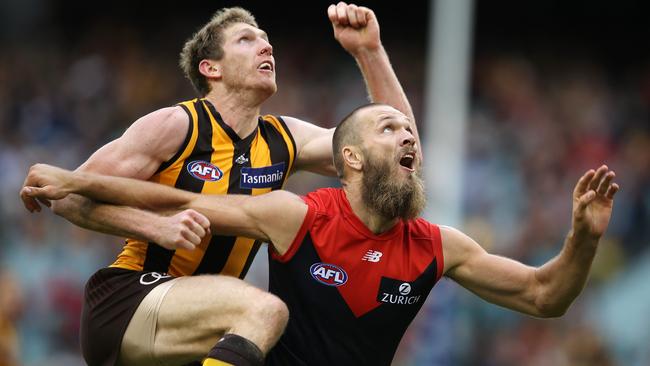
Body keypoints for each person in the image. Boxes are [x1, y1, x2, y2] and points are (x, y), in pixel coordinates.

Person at [22, 103, 619, 365]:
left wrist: (583, 239)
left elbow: (545, 297)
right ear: (351, 158)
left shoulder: (441, 246)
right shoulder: (296, 214)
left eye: (412, 131)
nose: (410, 137)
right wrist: (76, 181)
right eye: (390, 128)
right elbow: (178, 198)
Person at [19, 3, 419, 366]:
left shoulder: (285, 139)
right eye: (247, 40)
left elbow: (398, 151)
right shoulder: (176, 125)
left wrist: (369, 52)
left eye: (267, 41)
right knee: (266, 311)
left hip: (203, 326)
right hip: (128, 300)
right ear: (211, 68)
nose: (266, 48)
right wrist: (153, 226)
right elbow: (68, 196)